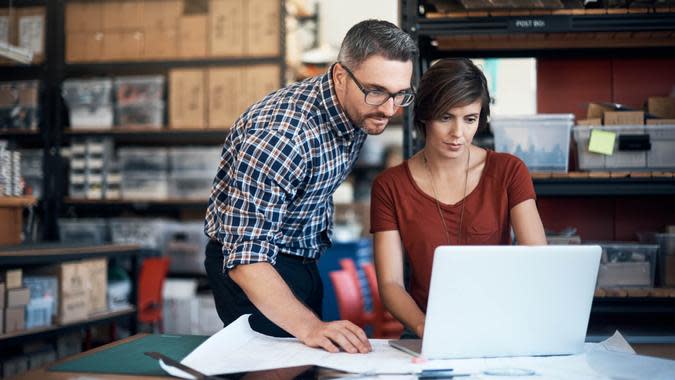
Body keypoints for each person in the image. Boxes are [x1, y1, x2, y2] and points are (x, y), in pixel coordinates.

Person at [204, 19, 418, 354]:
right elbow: (246, 257)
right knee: (274, 367)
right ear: (339, 76)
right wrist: (310, 326)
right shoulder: (282, 136)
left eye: (400, 94)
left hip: (302, 257)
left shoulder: (359, 107)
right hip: (254, 269)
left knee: (310, 360)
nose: (389, 109)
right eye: (377, 91)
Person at [370, 58, 547, 339]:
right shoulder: (390, 186)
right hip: (425, 330)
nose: (458, 134)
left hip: (500, 328)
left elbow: (538, 261)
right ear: (425, 115)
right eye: (445, 117)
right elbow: (391, 283)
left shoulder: (509, 171)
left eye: (470, 119)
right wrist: (423, 327)